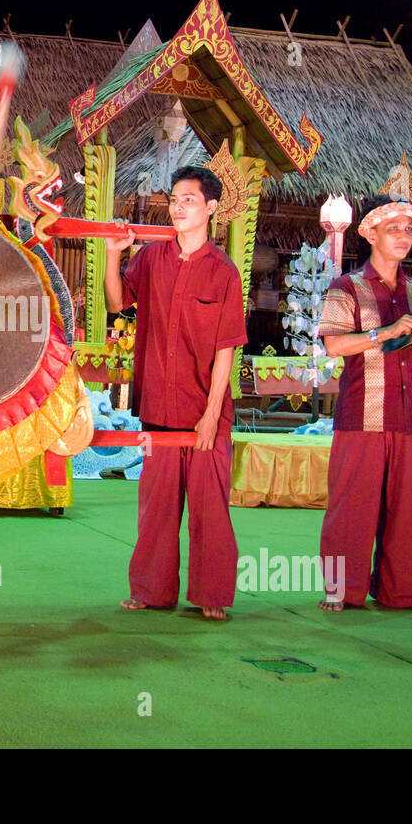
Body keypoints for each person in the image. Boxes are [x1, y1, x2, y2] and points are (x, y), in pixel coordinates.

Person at [104, 166, 247, 620]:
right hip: (159, 409)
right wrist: (112, 255)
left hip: (205, 412)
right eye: (174, 199)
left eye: (189, 199)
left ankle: (212, 594)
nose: (179, 207)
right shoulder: (151, 258)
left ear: (210, 207)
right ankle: (151, 590)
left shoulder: (224, 272)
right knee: (156, 508)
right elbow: (116, 303)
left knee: (209, 509)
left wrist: (211, 414)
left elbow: (225, 349)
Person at [315, 195, 412, 613]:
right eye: (393, 229)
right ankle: (341, 590)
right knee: (352, 505)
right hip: (362, 411)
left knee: (407, 508)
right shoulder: (346, 287)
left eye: (408, 230)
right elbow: (335, 346)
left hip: (410, 414)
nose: (404, 236)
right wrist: (385, 333)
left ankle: (405, 592)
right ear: (370, 233)